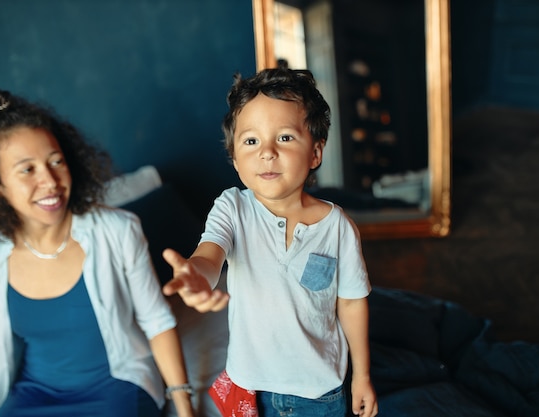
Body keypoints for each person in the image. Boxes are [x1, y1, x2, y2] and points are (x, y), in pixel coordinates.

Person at [0, 88, 194, 417]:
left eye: (56, 161)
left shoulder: (118, 230)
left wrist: (183, 403)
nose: (50, 181)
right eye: (27, 169)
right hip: (33, 394)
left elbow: (156, 322)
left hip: (115, 390)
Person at [162, 68, 379, 417]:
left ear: (316, 153)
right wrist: (196, 277)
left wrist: (362, 377)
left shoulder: (337, 226)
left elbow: (352, 304)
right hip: (252, 386)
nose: (267, 152)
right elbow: (209, 254)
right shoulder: (232, 207)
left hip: (320, 393)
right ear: (234, 158)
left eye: (285, 138)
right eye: (251, 141)